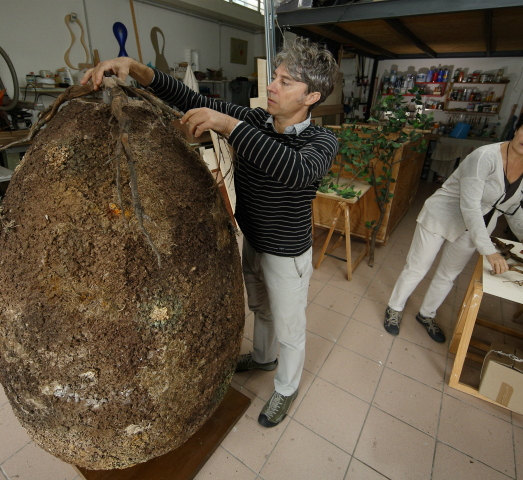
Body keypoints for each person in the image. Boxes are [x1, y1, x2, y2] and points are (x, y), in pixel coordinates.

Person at [82, 38, 340, 427]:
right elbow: (187, 97)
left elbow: (294, 170)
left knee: (290, 327)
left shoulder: (321, 142)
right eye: (275, 77)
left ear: (312, 96)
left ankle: (285, 388)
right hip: (253, 240)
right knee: (261, 309)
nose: (272, 86)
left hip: (287, 254)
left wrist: (228, 125)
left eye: (285, 82)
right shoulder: (256, 122)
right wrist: (136, 68)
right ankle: (264, 358)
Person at [383, 104, 523, 342]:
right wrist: (489, 251)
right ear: (517, 128)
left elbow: (512, 203)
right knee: (417, 267)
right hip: (442, 216)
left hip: (477, 226)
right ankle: (395, 308)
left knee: (448, 275)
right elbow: (470, 206)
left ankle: (426, 314)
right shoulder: (485, 157)